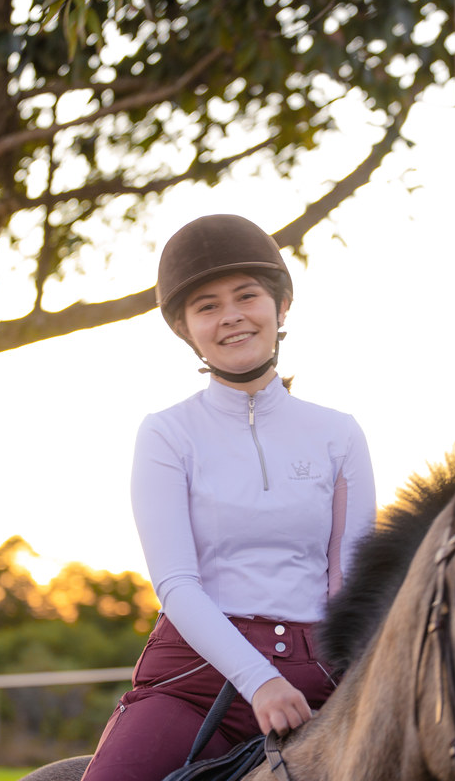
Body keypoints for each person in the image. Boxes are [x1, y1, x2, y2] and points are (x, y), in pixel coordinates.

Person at [79, 214, 377, 781]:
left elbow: (351, 580)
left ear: (281, 306)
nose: (231, 316)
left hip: (322, 671)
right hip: (194, 678)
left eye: (247, 296)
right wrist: (258, 679)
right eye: (207, 306)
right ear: (187, 329)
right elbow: (175, 583)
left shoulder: (339, 433)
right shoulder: (167, 433)